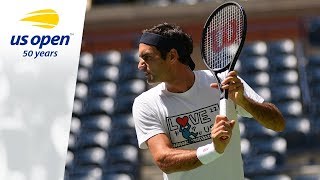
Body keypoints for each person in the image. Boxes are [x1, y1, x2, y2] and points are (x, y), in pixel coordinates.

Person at [132, 22, 285, 180]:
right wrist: (213, 150)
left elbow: (278, 124)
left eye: (147, 57)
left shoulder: (224, 81)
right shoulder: (145, 103)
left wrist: (244, 101)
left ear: (172, 56)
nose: (140, 65)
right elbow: (164, 160)